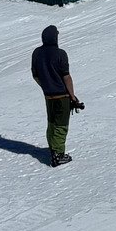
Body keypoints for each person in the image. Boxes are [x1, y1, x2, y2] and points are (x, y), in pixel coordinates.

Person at [31, 25, 82, 166]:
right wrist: (72, 96)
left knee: (52, 123)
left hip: (48, 96)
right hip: (62, 96)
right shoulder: (60, 54)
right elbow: (66, 77)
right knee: (61, 125)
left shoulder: (37, 53)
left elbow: (35, 75)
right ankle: (58, 155)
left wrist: (46, 86)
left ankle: (53, 149)